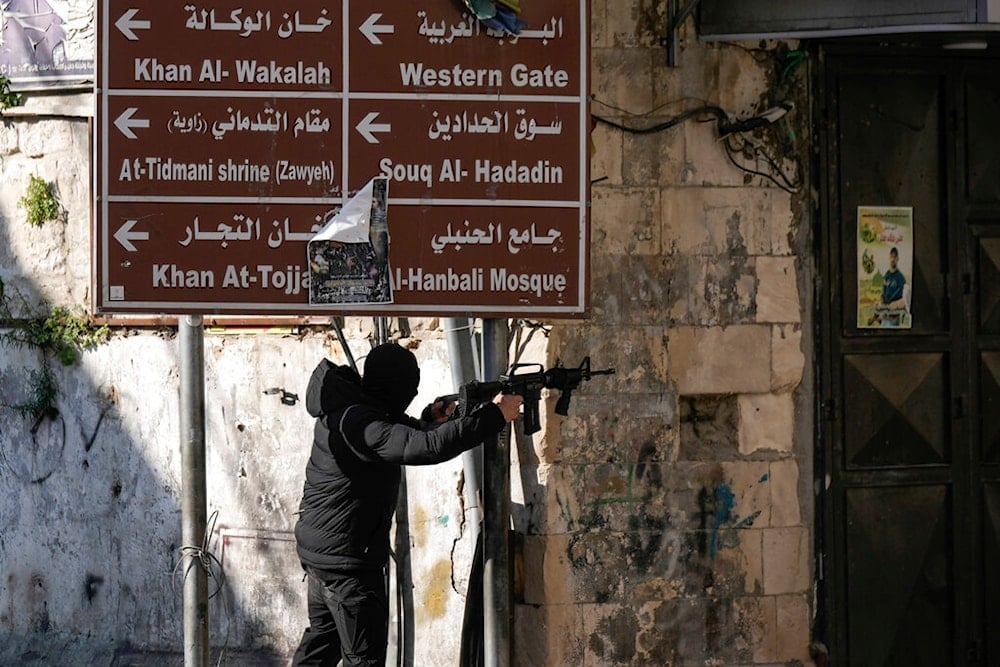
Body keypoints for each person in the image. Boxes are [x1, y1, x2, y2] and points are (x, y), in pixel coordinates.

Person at [291, 342, 522, 666]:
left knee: (320, 649)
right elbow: (422, 447)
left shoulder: (350, 409)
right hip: (349, 568)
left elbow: (397, 433)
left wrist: (429, 418)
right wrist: (495, 415)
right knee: (363, 660)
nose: (411, 395)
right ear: (394, 386)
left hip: (325, 559)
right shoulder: (360, 423)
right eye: (408, 388)